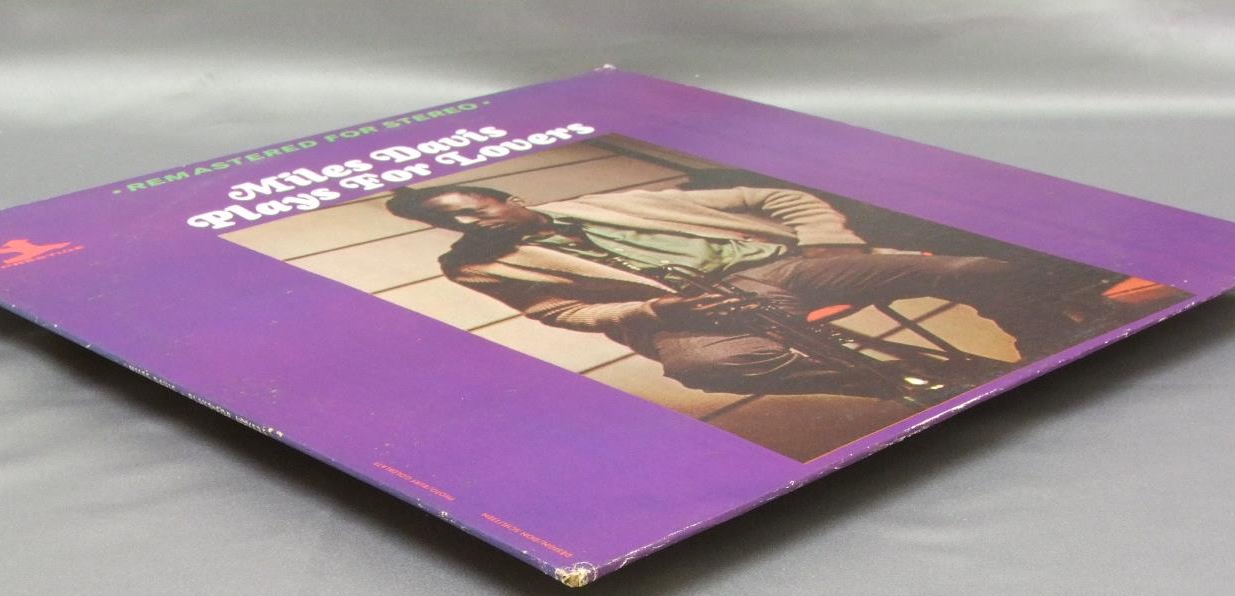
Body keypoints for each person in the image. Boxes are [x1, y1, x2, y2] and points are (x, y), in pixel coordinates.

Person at [384, 183, 1099, 399]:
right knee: (706, 365)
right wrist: (658, 309)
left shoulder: (622, 200)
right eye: (454, 223)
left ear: (506, 197)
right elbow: (563, 310)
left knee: (974, 271)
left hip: (786, 266)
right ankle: (900, 382)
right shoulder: (473, 265)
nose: (472, 226)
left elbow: (772, 195)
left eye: (475, 210)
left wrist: (828, 242)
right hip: (683, 305)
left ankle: (1048, 342)